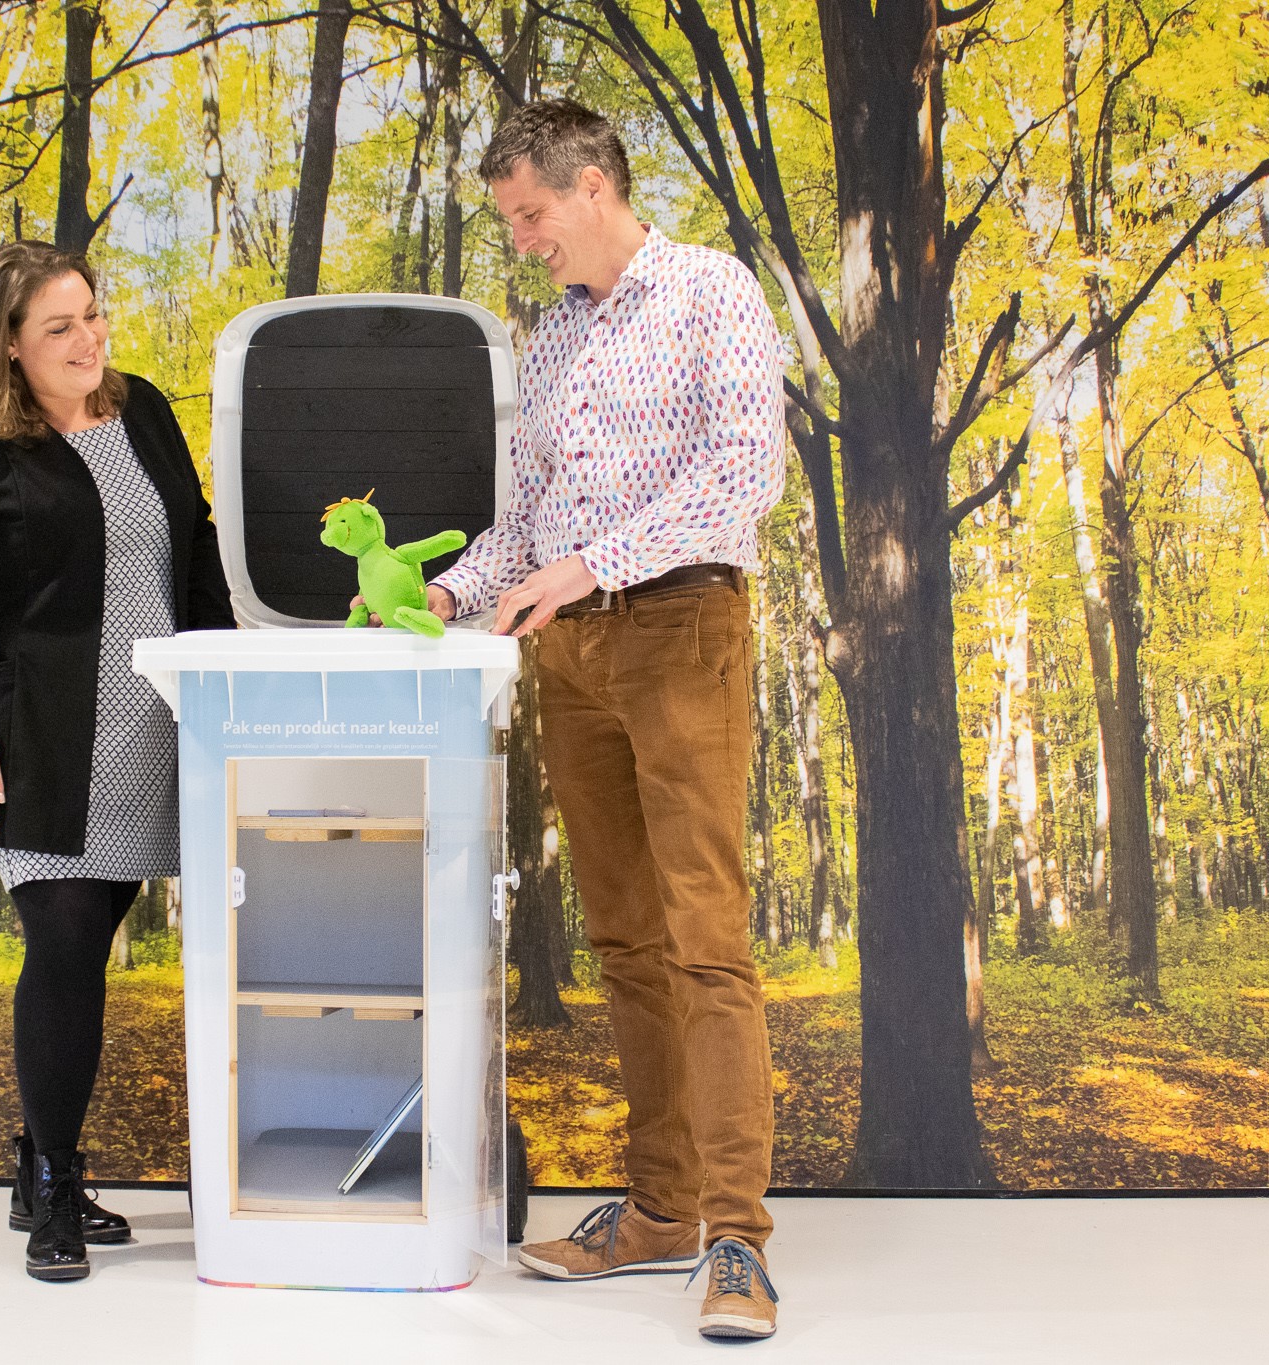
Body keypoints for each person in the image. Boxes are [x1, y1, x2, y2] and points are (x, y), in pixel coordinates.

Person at [423, 100, 787, 1340]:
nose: (521, 238)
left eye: (530, 213)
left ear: (592, 188)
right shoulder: (550, 342)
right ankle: (659, 1210)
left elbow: (743, 473)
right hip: (570, 658)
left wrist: (586, 567)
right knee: (626, 941)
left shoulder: (707, 290)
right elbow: (522, 524)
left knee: (702, 939)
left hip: (679, 627)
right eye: (509, 220)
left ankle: (735, 1239)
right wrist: (448, 594)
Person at [0, 241, 234, 1283]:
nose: (88, 339)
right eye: (59, 326)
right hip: (40, 736)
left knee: (96, 929)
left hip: (159, 728)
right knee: (67, 938)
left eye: (91, 314)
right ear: (8, 343)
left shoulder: (144, 410)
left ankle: (34, 1162)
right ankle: (52, 1183)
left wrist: (221, 677)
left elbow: (196, 543)